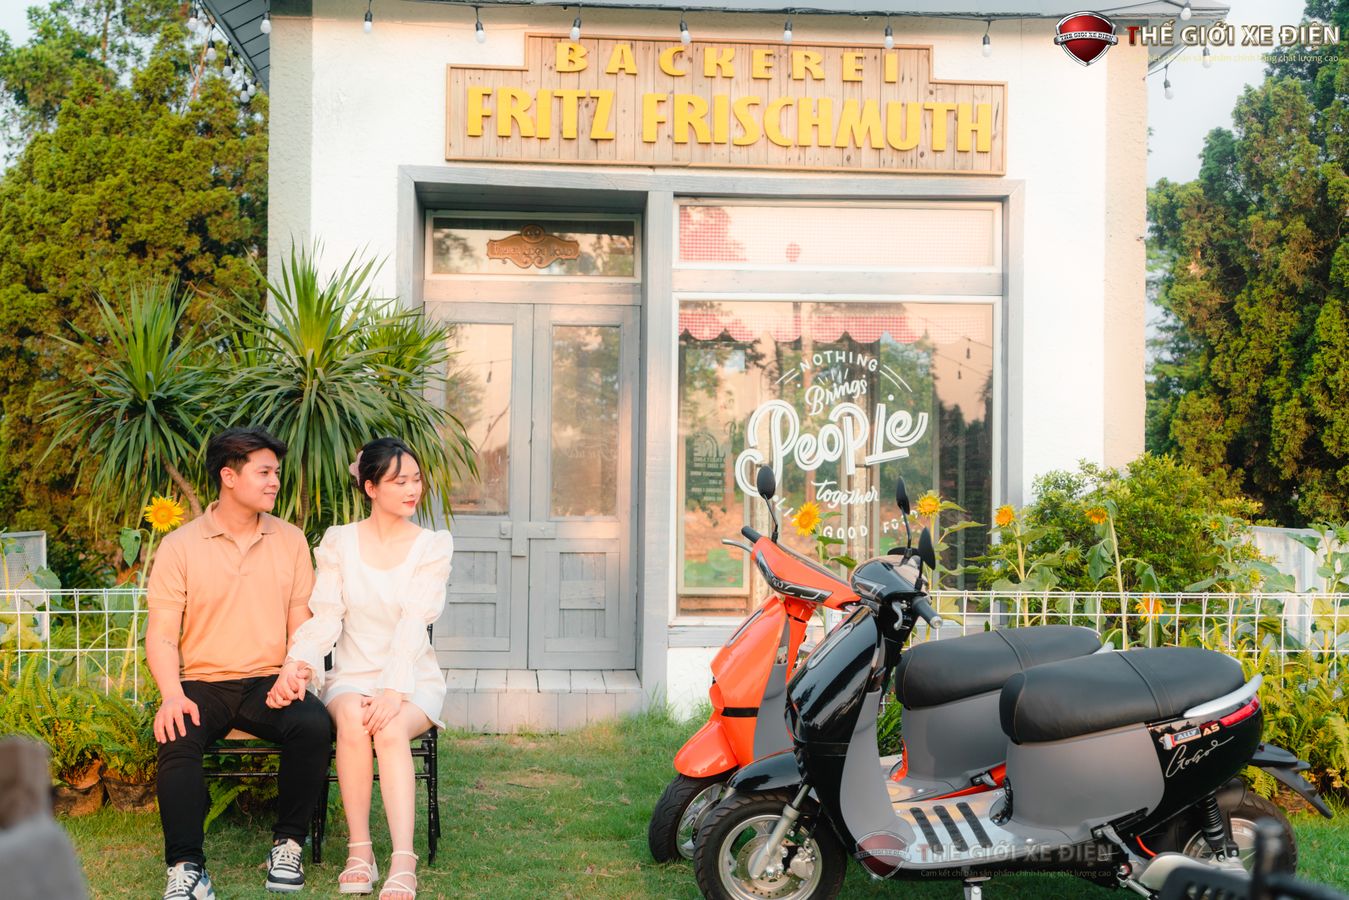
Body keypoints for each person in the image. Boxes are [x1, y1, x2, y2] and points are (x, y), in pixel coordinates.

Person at [146, 427, 333, 899]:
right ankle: (187, 868)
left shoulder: (290, 540)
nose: (275, 482)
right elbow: (162, 633)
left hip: (268, 681)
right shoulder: (180, 546)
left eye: (277, 473)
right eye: (264, 472)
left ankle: (287, 845)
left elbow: (302, 625)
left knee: (312, 723)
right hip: (202, 683)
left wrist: (294, 671)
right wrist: (171, 696)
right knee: (176, 734)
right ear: (229, 476)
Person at [271, 437, 452, 900]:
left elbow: (414, 623)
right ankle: (360, 852)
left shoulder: (431, 546)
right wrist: (299, 662)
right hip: (352, 675)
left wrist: (393, 690)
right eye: (399, 481)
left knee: (388, 728)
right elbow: (326, 616)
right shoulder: (340, 542)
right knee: (353, 719)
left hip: (412, 679)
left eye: (416, 480)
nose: (412, 490)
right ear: (371, 487)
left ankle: (403, 860)